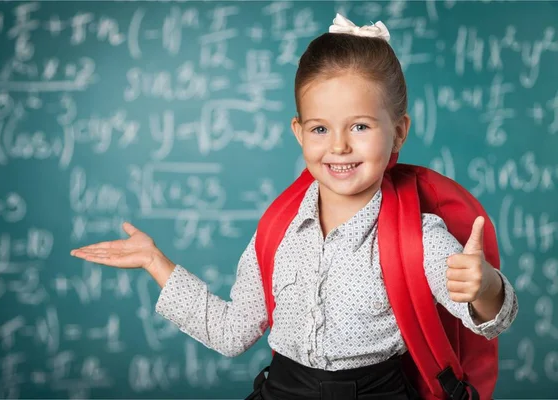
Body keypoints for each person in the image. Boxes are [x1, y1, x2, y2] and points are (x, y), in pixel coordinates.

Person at [70, 14, 518, 400]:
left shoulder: (418, 236)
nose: (339, 146)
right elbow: (231, 334)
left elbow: (491, 322)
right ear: (298, 132)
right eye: (320, 128)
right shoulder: (277, 231)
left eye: (360, 126)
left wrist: (484, 287)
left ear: (398, 132)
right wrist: (155, 261)